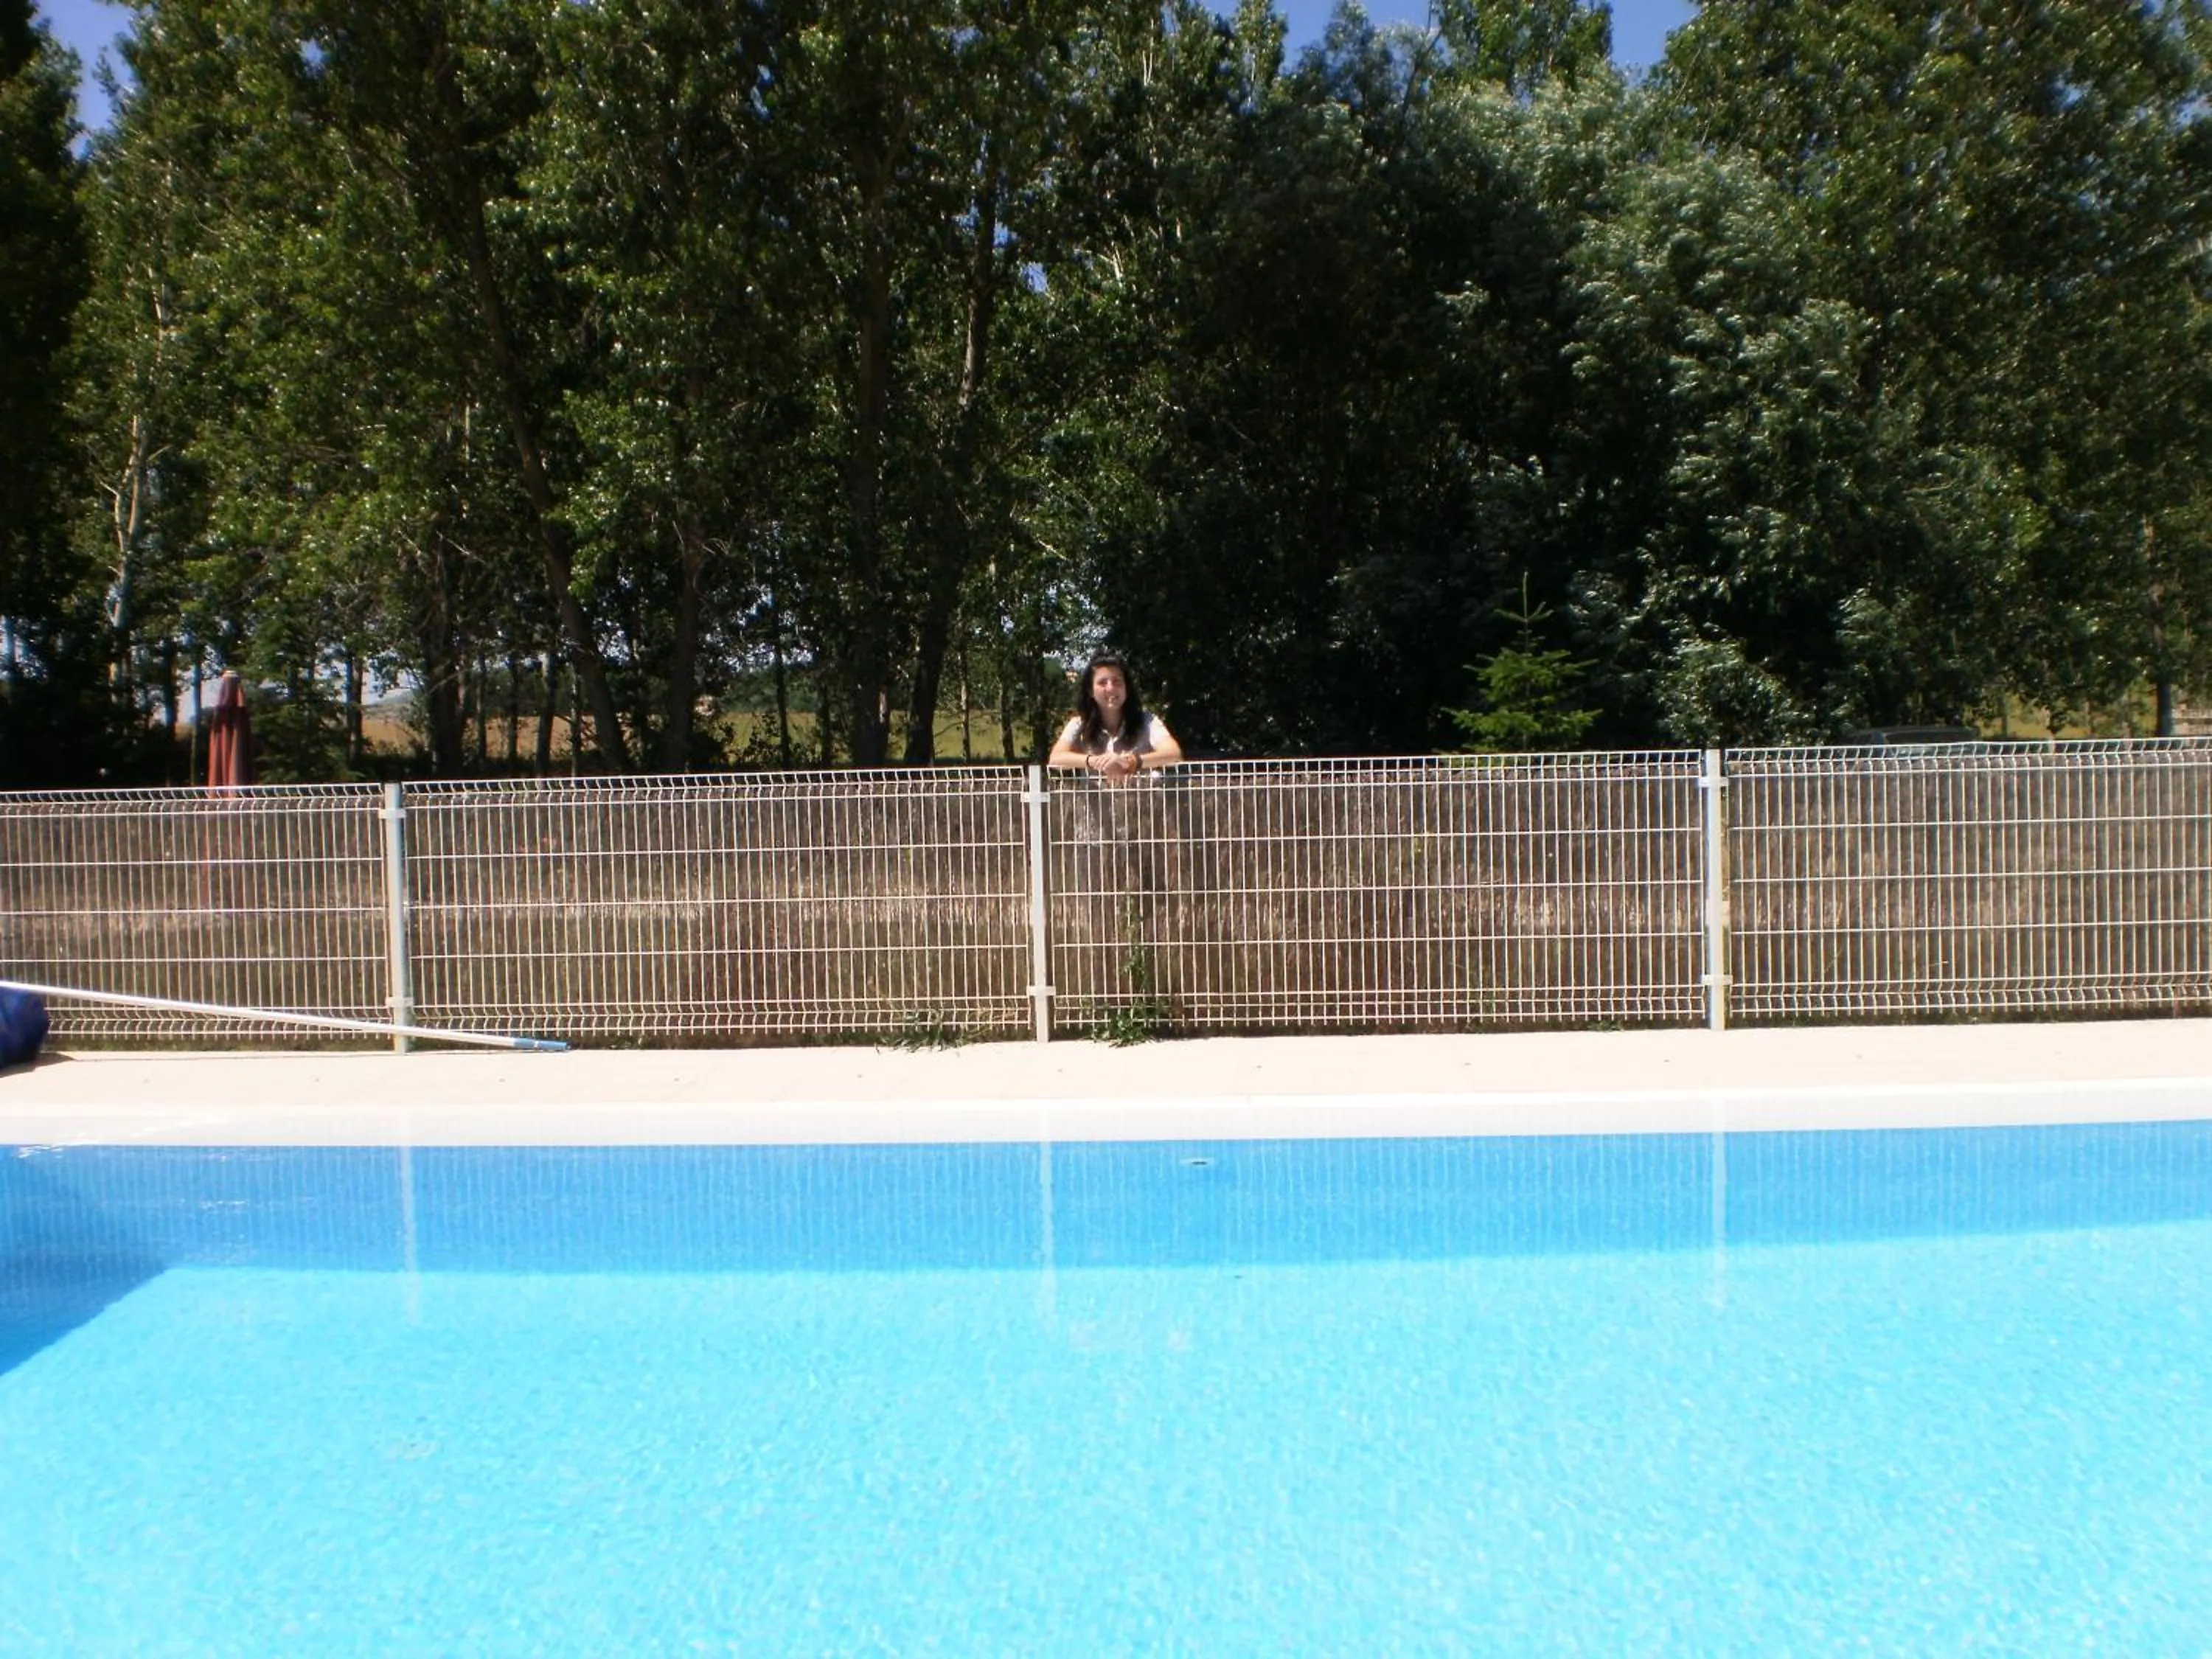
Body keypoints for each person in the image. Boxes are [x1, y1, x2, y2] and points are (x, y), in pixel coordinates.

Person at [1048, 650, 1183, 781]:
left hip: (1141, 803)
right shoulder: (1078, 724)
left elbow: (1174, 754)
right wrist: (1096, 761)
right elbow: (1055, 759)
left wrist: (1132, 762)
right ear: (1090, 691)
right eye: (1102, 683)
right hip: (1094, 804)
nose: (1110, 688)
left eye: (1117, 681)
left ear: (1126, 687)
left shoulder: (1147, 720)